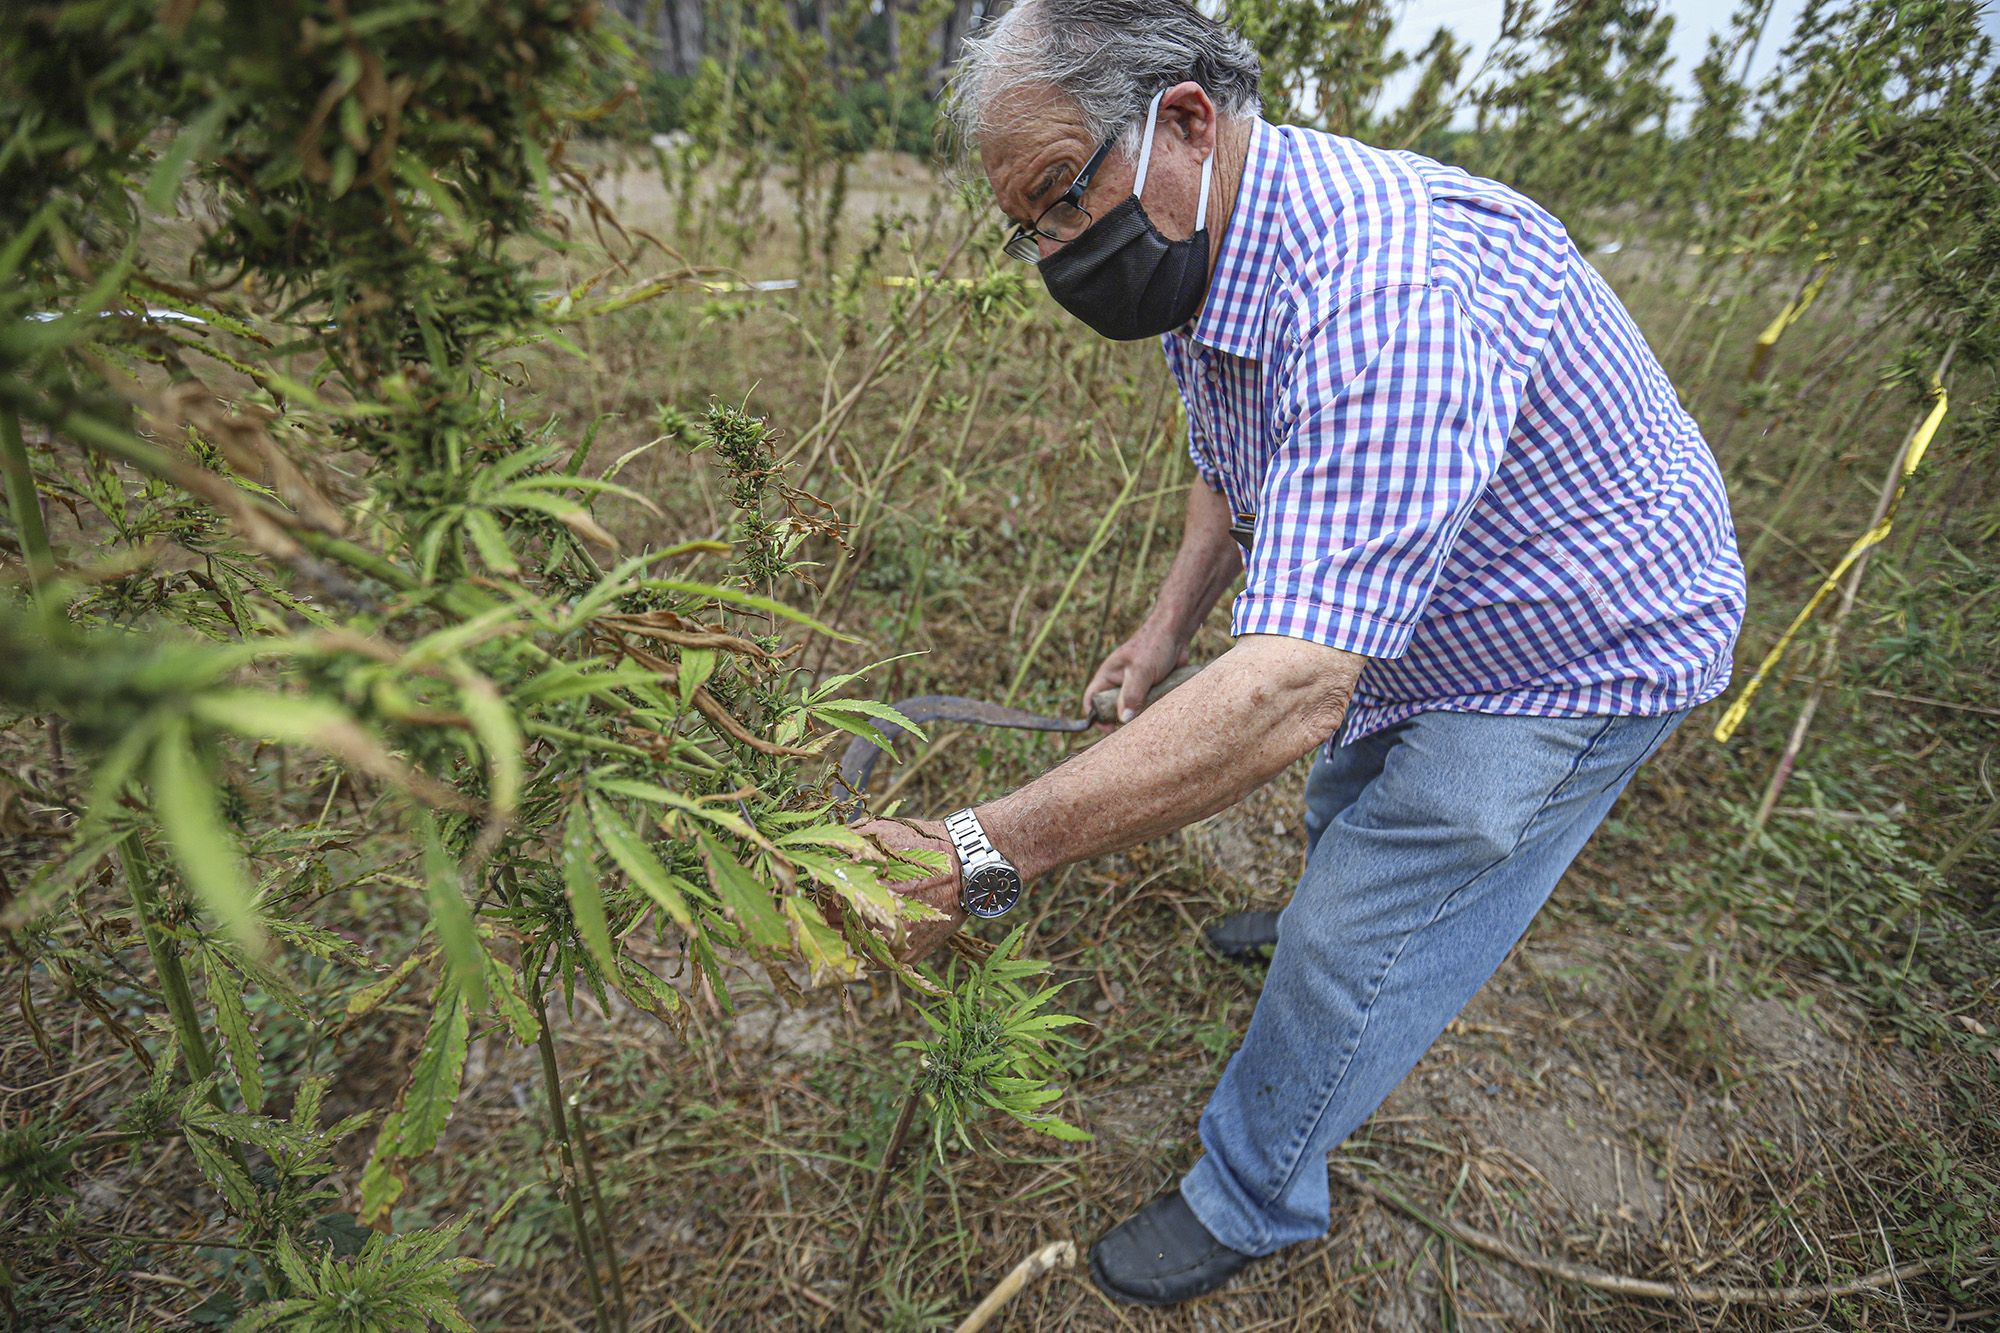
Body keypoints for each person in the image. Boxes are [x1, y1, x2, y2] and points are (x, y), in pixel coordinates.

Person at [851, 0, 1746, 1308]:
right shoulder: (1203, 242)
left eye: (1058, 196)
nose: (1052, 250)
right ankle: (1320, 924)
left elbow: (1291, 686)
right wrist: (1163, 629)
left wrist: (990, 846)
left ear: (1188, 119)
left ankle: (1256, 1190)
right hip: (1444, 597)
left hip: (1579, 632)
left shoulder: (1388, 293)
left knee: (1368, 913)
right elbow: (1234, 458)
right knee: (1343, 789)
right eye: (1027, 227)